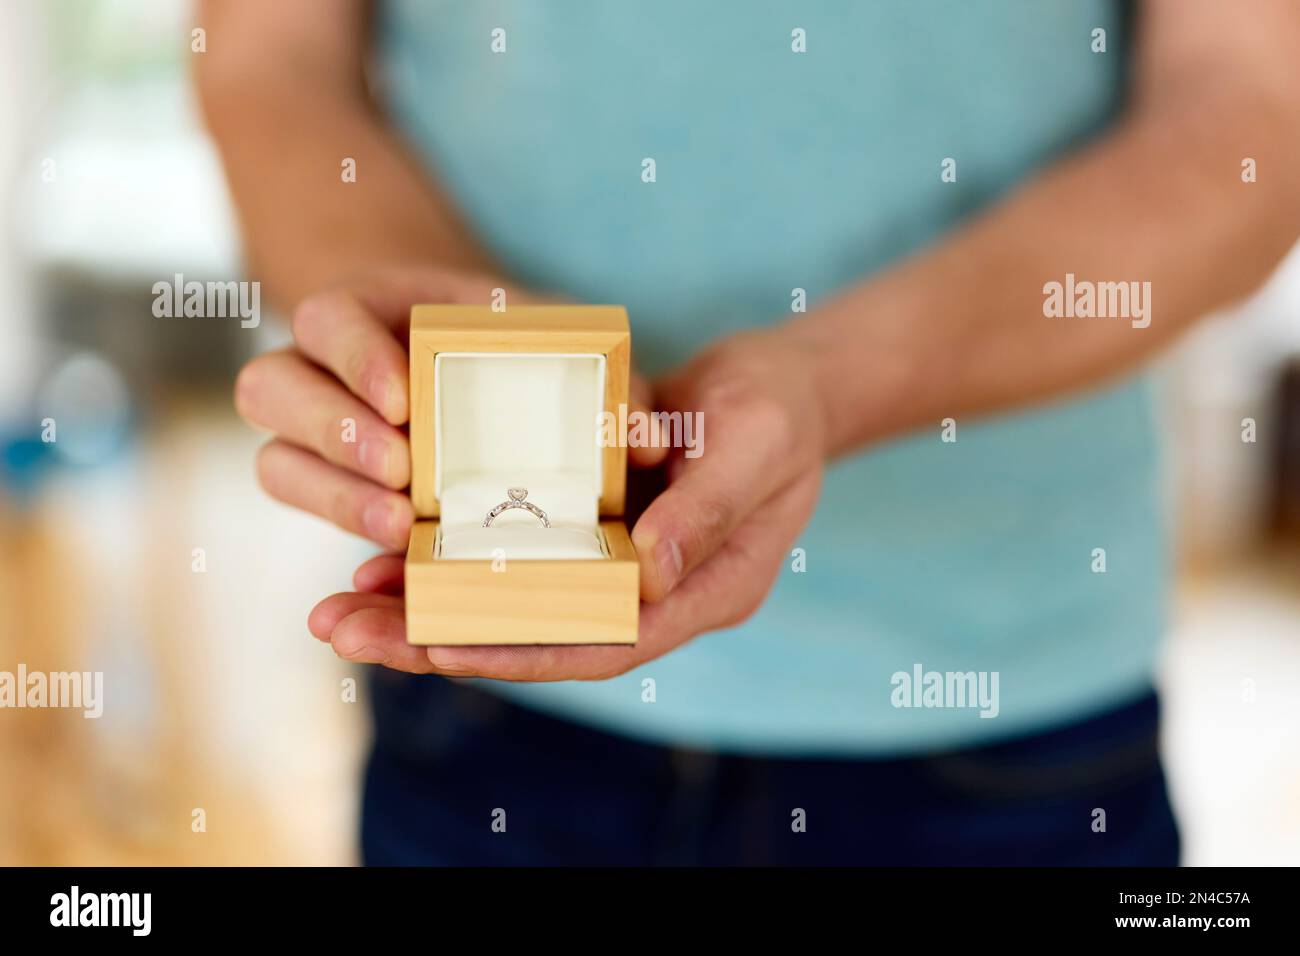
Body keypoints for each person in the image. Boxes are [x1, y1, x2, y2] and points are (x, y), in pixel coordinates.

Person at [197, 0, 1300, 864]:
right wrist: (419, 345)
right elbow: (269, 57)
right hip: (483, 722)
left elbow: (1255, 106)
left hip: (1011, 719)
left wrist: (830, 384)